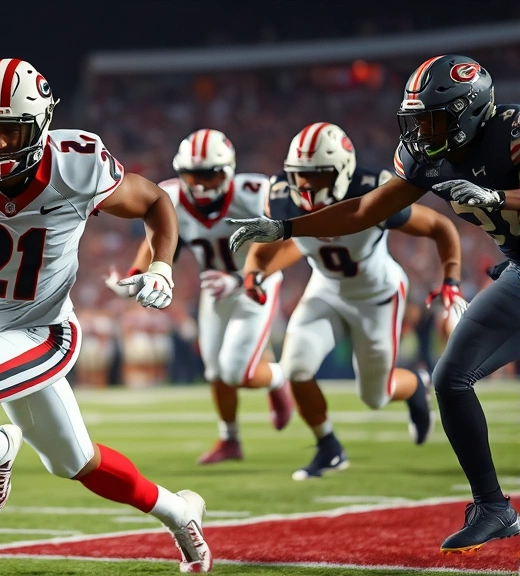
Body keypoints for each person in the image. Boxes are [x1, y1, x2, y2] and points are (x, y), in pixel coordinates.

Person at [0, 59, 211, 572]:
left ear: (40, 126)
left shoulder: (77, 165)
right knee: (75, 463)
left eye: (9, 132)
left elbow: (156, 202)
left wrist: (163, 267)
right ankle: (180, 511)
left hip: (46, 331)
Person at [228, 55, 518, 553]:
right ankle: (493, 507)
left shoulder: (512, 131)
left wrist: (497, 197)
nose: (422, 130)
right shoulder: (431, 157)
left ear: (469, 111)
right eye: (418, 118)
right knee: (451, 379)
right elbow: (365, 210)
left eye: (432, 118)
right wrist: (287, 229)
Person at [243, 122, 460, 479]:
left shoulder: (373, 189)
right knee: (296, 368)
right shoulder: (280, 193)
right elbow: (271, 248)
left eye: (319, 175)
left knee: (376, 396)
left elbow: (440, 227)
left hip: (376, 297)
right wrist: (253, 272)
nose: (306, 185)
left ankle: (417, 385)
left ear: (343, 169)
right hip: (326, 290)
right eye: (299, 175)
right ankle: (328, 447)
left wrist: (450, 276)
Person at [106, 128, 293, 465]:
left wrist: (242, 278)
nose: (201, 183)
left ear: (228, 171)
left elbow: (294, 242)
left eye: (209, 174)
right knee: (215, 373)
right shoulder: (171, 197)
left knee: (237, 371)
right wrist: (135, 275)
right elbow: (156, 238)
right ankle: (230, 440)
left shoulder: (256, 193)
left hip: (255, 285)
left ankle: (279, 377)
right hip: (213, 290)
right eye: (193, 174)